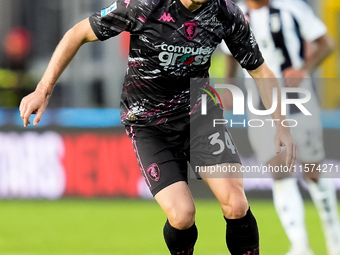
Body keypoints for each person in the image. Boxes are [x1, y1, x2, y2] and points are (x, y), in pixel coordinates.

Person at [19, 0, 297, 254]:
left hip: (200, 114)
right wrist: (43, 89)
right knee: (182, 215)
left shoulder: (226, 12)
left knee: (236, 206)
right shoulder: (143, 6)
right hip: (147, 121)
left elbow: (260, 70)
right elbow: (77, 33)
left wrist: (281, 125)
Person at [221, 0, 340, 254]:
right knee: (279, 171)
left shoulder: (291, 7)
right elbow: (229, 55)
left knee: (313, 170)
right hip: (261, 104)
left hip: (299, 100)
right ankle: (300, 245)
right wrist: (229, 88)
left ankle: (335, 239)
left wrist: (304, 69)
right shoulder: (235, 14)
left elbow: (326, 43)